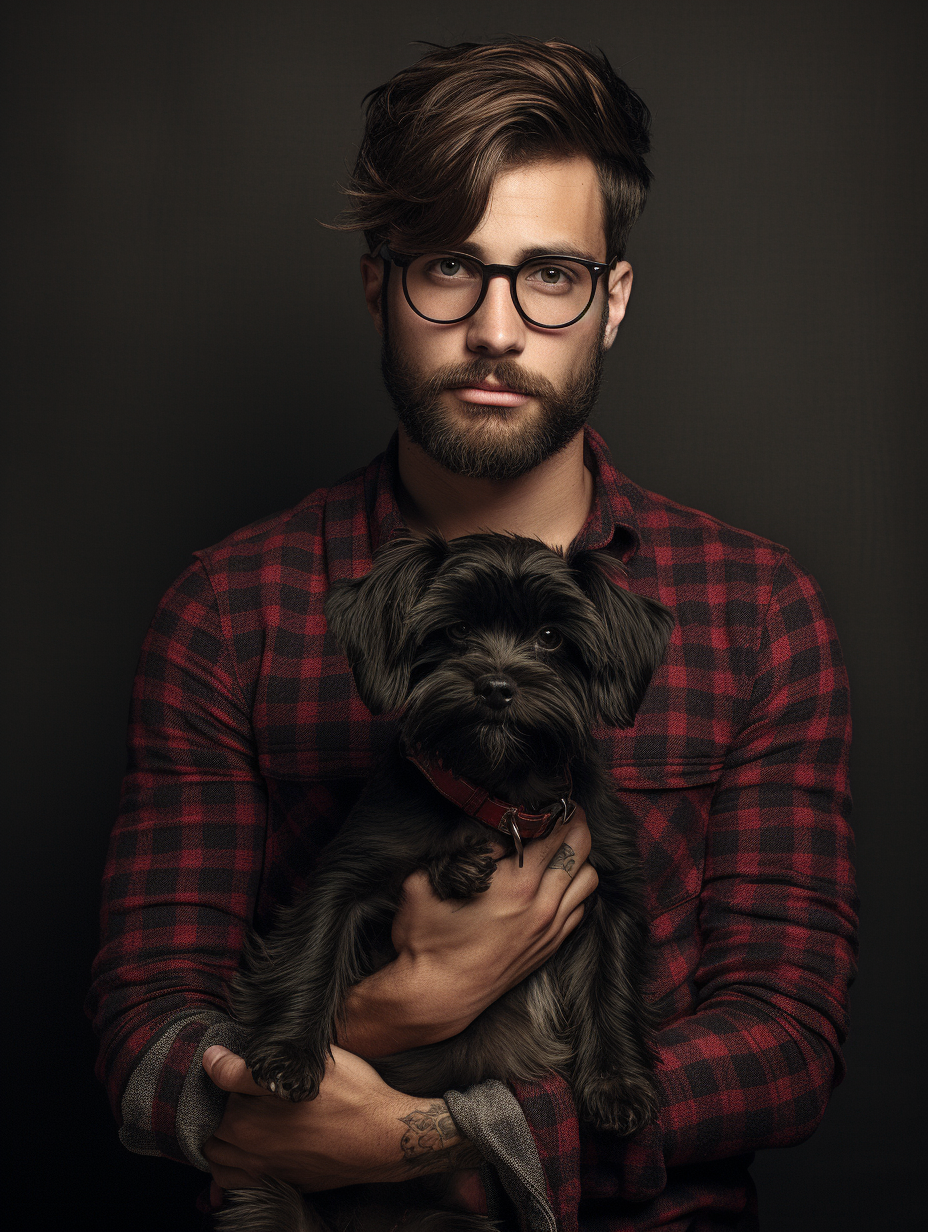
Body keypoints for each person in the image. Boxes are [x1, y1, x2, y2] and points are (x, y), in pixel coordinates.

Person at [86, 37, 858, 1231]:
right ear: (376, 282)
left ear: (612, 298)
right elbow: (146, 1050)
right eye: (450, 266)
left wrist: (432, 1132)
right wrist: (404, 1004)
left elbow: (785, 1047)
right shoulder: (229, 607)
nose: (495, 328)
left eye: (549, 274)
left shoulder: (756, 608)